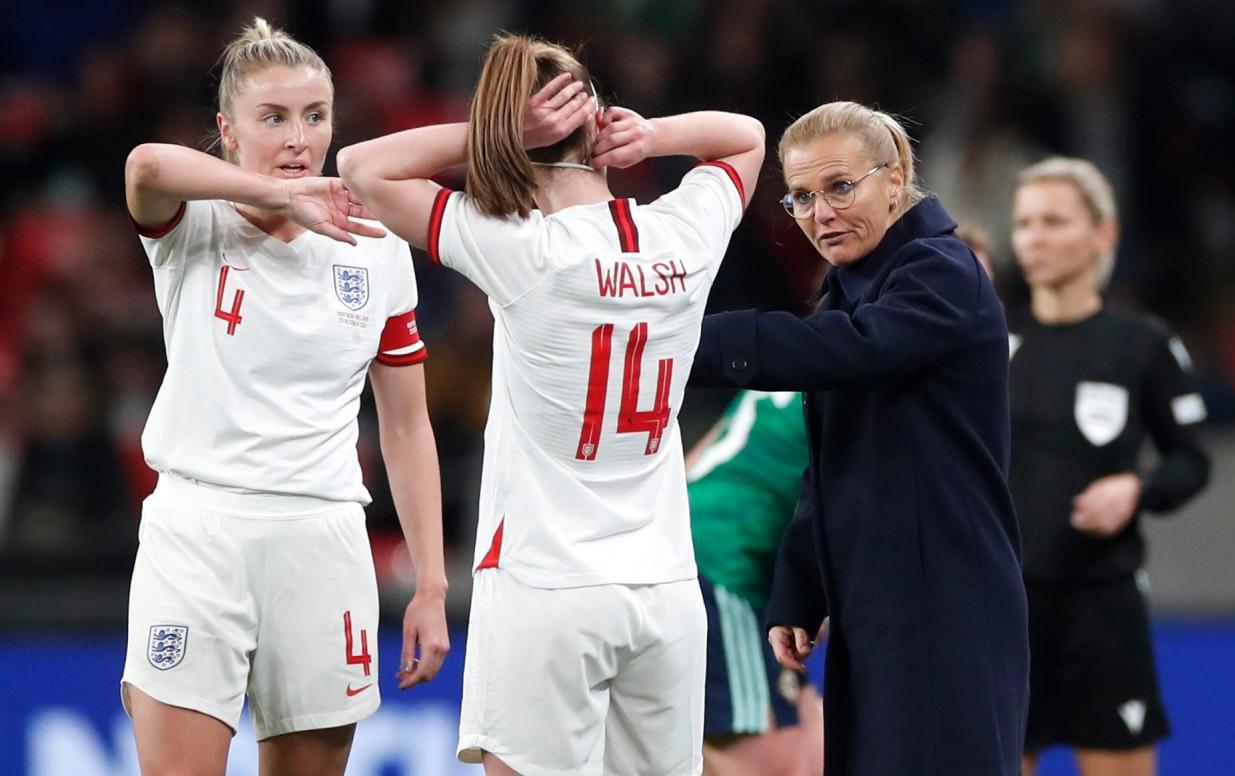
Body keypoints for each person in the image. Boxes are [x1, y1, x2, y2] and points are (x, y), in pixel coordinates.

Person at [338, 34, 764, 776]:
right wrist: (651, 136)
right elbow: (748, 139)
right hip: (663, 588)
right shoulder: (683, 234)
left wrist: (495, 137)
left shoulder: (522, 250)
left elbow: (359, 168)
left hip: (546, 584)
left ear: (511, 133)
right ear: (596, 121)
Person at [120, 18, 449, 776]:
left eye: (315, 116)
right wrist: (281, 198)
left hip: (323, 538)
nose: (299, 137)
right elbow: (145, 164)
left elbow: (405, 428)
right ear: (227, 131)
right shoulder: (191, 224)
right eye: (272, 118)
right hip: (198, 532)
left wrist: (430, 582)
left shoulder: (378, 249)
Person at [689, 101, 1028, 776]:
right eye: (803, 198)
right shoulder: (853, 291)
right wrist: (801, 586)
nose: (821, 213)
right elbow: (833, 461)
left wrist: (681, 338)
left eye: (840, 187)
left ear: (896, 178)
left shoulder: (943, 268)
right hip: (876, 605)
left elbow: (854, 351)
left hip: (946, 604)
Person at [1008, 157, 1211, 776]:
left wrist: (1138, 488)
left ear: (1103, 233)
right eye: (1023, 223)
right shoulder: (991, 343)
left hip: (1104, 607)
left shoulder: (1141, 344)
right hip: (1008, 605)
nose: (1033, 238)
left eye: (1053, 221)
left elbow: (1192, 460)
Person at [685, 390, 823, 776]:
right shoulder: (877, 375)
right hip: (721, 571)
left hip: (672, 551)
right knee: (788, 766)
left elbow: (695, 464)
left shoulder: (791, 364)